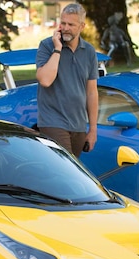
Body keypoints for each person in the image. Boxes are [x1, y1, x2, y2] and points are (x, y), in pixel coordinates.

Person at [35, 3, 99, 158]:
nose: (65, 28)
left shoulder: (89, 51)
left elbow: (91, 92)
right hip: (53, 121)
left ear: (82, 26)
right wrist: (57, 49)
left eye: (71, 24)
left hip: (78, 124)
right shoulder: (47, 46)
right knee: (65, 169)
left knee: (71, 172)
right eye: (63, 23)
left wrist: (93, 129)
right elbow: (45, 80)